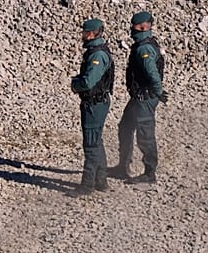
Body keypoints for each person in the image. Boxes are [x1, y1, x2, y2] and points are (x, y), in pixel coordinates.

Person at [112, 10, 165, 184]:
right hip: (138, 96)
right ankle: (123, 166)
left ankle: (149, 173)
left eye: (135, 26)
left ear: (144, 27)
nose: (131, 29)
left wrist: (157, 91)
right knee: (125, 127)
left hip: (145, 96)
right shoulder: (143, 44)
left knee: (145, 134)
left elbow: (152, 74)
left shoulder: (144, 48)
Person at [68, 18, 114, 195]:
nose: (82, 35)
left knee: (91, 144)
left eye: (85, 32)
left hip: (94, 103)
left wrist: (75, 84)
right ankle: (101, 181)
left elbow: (89, 81)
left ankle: (87, 185)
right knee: (97, 142)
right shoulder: (97, 51)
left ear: (93, 33)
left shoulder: (97, 55)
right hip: (97, 102)